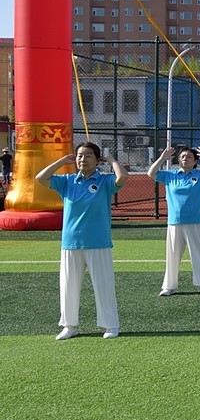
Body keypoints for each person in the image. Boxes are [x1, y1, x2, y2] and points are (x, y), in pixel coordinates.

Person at [35, 142, 128, 340]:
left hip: (98, 242)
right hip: (70, 242)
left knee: (104, 285)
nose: (82, 159)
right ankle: (69, 325)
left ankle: (111, 325)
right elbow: (40, 178)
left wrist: (111, 160)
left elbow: (122, 178)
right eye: (79, 156)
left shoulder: (104, 181)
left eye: (88, 156)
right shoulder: (67, 181)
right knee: (68, 285)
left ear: (96, 160)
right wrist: (61, 161)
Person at [150, 145, 200, 296]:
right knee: (172, 255)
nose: (185, 159)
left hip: (195, 221)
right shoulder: (170, 175)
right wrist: (162, 158)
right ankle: (169, 286)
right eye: (182, 157)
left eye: (188, 157)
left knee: (199, 253)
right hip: (175, 222)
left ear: (195, 161)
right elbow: (151, 173)